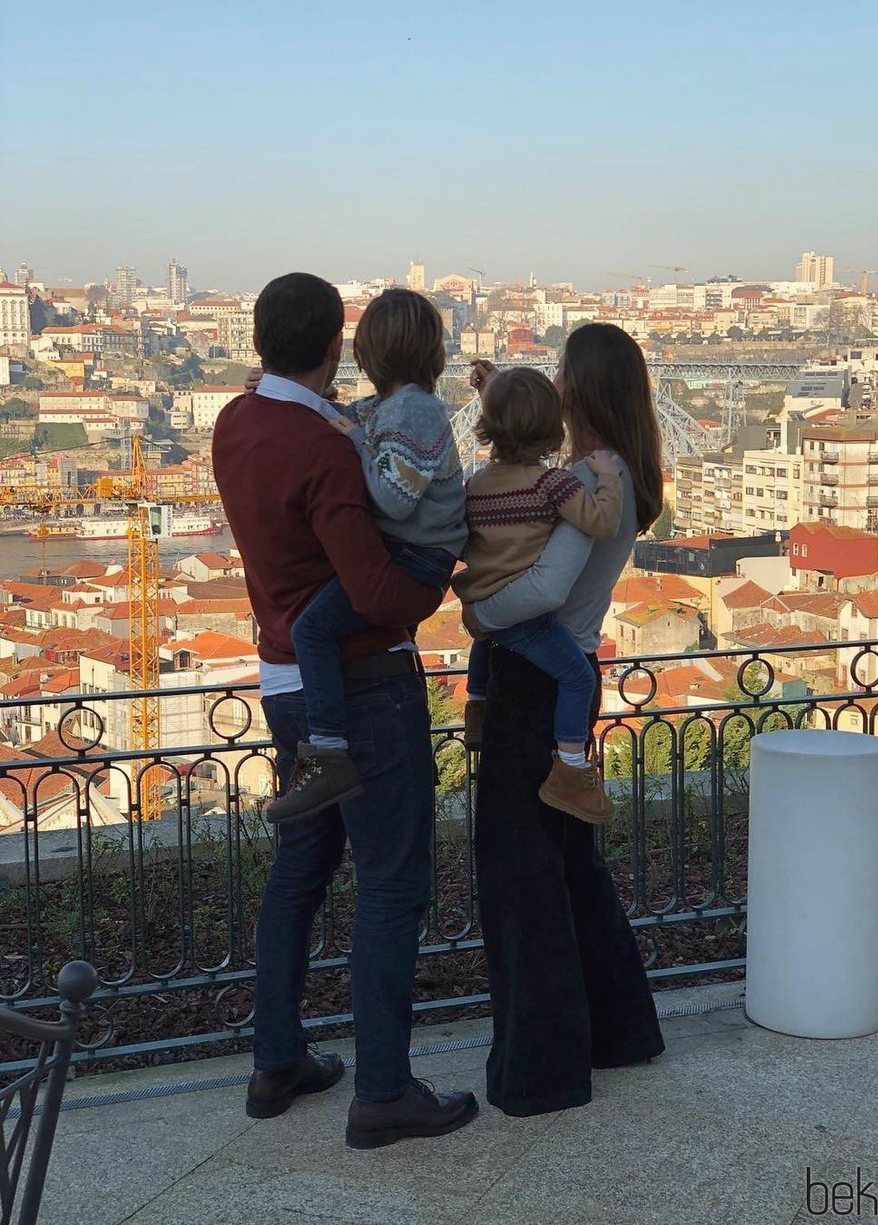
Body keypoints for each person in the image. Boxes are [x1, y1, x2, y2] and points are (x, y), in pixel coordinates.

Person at [212, 272, 477, 1148]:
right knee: (392, 883)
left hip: (287, 682)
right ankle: (384, 1091)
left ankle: (276, 1060)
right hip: (365, 685)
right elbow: (374, 591)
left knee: (301, 870)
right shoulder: (325, 447)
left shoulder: (235, 424)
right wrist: (434, 582)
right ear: (335, 347)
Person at [466, 323, 667, 1117]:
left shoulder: (585, 480)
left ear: (578, 391)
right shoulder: (620, 475)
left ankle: (541, 1068)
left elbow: (544, 589)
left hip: (534, 682)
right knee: (571, 868)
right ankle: (619, 1030)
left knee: (523, 879)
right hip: (571, 681)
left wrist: (479, 614)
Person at [264, 288, 467, 823]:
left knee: (311, 631)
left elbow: (394, 500)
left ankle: (327, 753)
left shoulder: (417, 410)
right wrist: (275, 392)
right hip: (405, 552)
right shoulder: (387, 406)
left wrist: (354, 440)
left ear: (370, 351)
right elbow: (337, 417)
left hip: (416, 555)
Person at [453, 366, 623, 823]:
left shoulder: (478, 485)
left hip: (482, 604)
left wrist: (493, 389)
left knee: (485, 637)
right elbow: (602, 523)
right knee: (578, 679)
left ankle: (477, 708)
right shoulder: (553, 484)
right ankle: (571, 769)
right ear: (553, 430)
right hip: (525, 617)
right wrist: (607, 477)